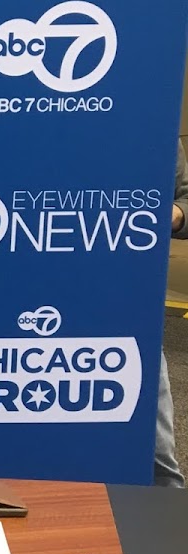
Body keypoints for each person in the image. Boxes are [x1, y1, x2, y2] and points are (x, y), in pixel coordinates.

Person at [154, 138, 188, 488]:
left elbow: (186, 198)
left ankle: (169, 530)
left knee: (158, 456)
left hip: (129, 304)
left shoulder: (156, 128)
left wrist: (175, 215)